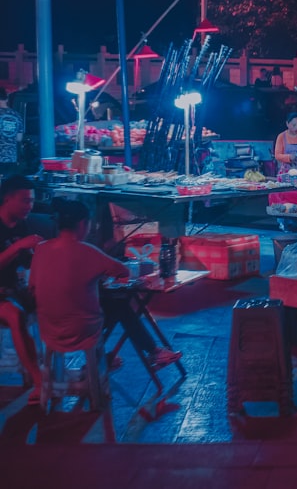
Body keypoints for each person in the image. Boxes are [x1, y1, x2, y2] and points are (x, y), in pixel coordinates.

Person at [29, 199, 181, 366]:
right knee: (120, 306)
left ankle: (100, 360)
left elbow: (33, 285)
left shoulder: (40, 249)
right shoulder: (88, 251)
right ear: (82, 224)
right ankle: (153, 352)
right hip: (81, 330)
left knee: (93, 304)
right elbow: (124, 272)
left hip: (48, 328)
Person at [0, 176, 42, 403]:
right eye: (25, 201)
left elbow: (26, 262)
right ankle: (37, 378)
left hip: (14, 288)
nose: (30, 206)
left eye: (32, 201)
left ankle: (96, 360)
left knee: (60, 301)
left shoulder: (22, 224)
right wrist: (19, 246)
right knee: (15, 316)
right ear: (8, 200)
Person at [0, 88, 24, 177]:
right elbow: (19, 138)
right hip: (11, 157)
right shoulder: (17, 115)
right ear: (6, 99)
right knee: (8, 187)